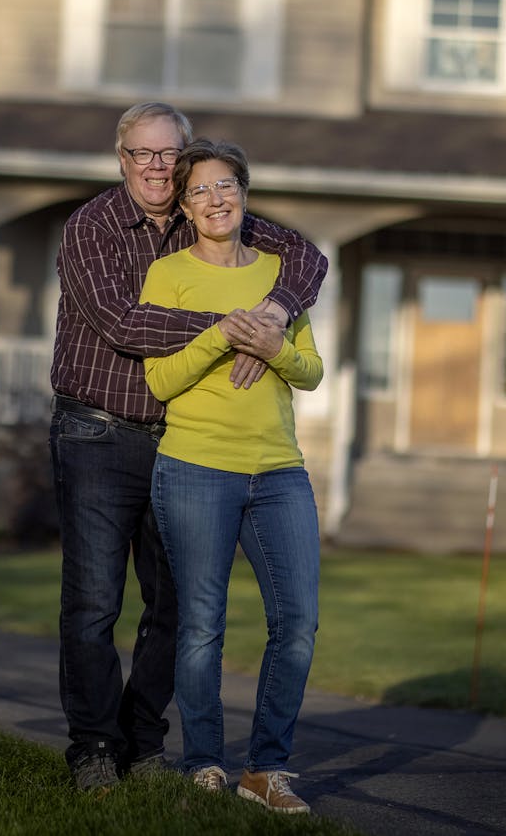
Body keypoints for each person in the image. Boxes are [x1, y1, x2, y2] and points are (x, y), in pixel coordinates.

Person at [49, 103, 327, 792]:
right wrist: (241, 321)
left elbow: (308, 257)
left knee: (173, 607)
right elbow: (122, 321)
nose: (157, 166)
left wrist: (278, 306)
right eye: (142, 153)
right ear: (121, 159)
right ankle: (92, 746)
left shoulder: (203, 208)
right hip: (99, 430)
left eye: (168, 154)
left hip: (176, 443)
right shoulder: (92, 226)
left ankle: (143, 740)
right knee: (92, 602)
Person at [140, 138, 323, 814]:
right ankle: (205, 762)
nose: (215, 200)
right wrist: (223, 335)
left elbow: (311, 370)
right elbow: (159, 377)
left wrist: (273, 344)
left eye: (227, 187)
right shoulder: (170, 275)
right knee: (201, 625)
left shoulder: (282, 277)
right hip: (194, 467)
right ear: (184, 208)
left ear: (245, 194)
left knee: (298, 622)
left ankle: (266, 769)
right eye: (200, 191)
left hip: (278, 470)